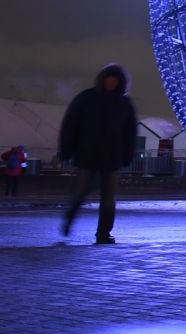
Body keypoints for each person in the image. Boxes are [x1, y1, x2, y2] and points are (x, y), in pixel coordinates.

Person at [58, 63, 138, 244]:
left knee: (108, 200)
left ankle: (103, 234)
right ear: (103, 80)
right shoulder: (86, 98)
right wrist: (66, 148)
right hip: (88, 155)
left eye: (115, 80)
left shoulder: (124, 104)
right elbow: (71, 124)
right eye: (109, 78)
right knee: (80, 193)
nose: (111, 82)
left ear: (120, 82)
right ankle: (69, 218)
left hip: (112, 158)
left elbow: (130, 132)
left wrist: (128, 154)